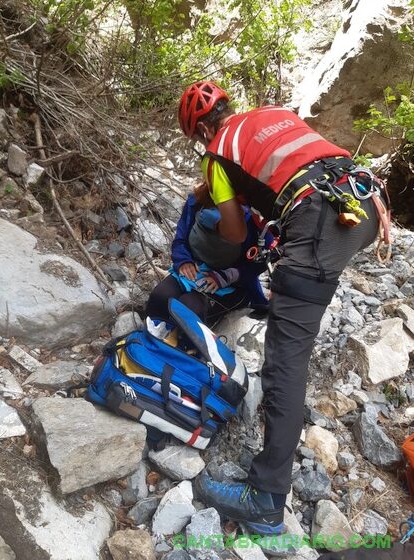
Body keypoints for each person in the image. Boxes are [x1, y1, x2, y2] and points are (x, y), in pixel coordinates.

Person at [177, 81, 389, 535]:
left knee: (284, 363)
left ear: (198, 133)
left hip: (320, 218)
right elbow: (285, 165)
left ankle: (267, 498)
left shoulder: (215, 154)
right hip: (360, 198)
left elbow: (234, 234)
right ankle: (297, 299)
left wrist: (215, 197)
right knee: (296, 308)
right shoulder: (271, 115)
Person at [145, 184, 273, 328]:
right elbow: (180, 239)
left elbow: (260, 262)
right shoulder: (197, 201)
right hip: (195, 269)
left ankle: (183, 346)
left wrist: (227, 276)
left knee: (189, 308)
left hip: (232, 284)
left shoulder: (256, 223)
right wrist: (183, 261)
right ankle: (149, 340)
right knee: (160, 297)